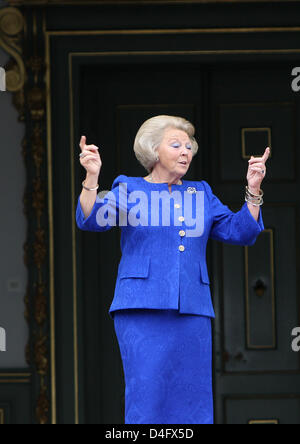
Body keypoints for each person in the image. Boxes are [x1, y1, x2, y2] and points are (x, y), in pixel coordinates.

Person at [75, 115, 269, 424]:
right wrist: (91, 178)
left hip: (192, 309)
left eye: (189, 146)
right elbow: (91, 220)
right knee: (147, 396)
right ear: (153, 150)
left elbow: (241, 231)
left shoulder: (200, 193)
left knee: (193, 400)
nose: (185, 152)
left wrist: (253, 189)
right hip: (140, 308)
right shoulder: (129, 187)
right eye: (176, 145)